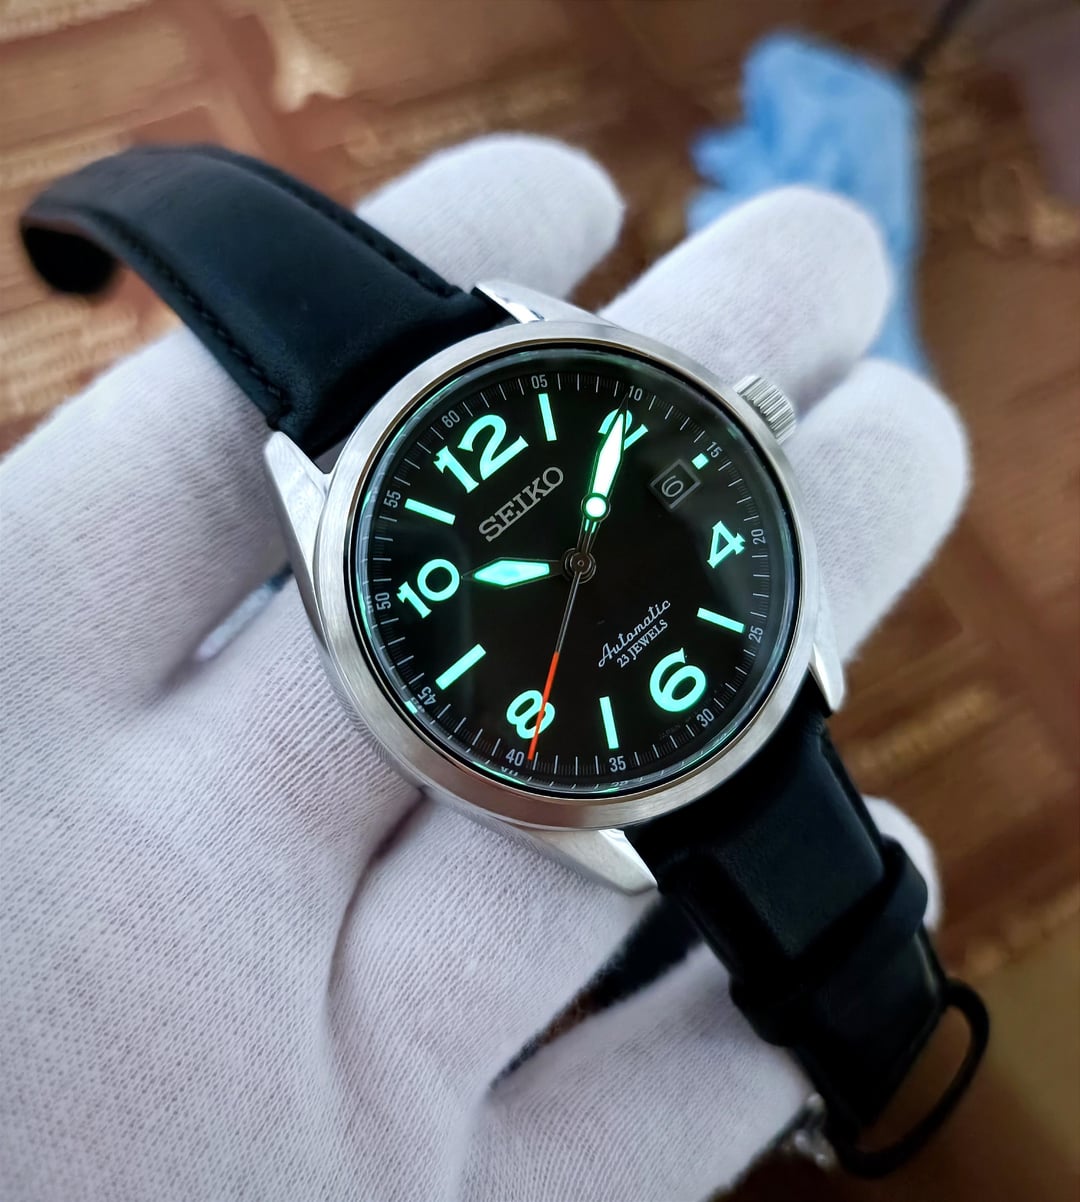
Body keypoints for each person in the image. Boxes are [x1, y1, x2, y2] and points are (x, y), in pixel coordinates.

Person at [0, 135, 967, 1200]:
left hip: (736, 683)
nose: (575, 563)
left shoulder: (540, 385)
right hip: (640, 742)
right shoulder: (373, 549)